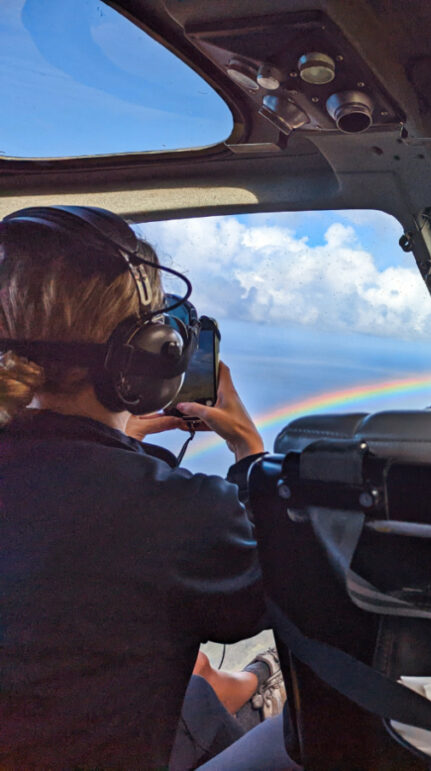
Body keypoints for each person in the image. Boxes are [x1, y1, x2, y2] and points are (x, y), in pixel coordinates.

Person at [0, 206, 289, 768]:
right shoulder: (178, 511)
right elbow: (281, 597)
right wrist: (250, 452)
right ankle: (256, 688)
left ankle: (245, 683)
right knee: (294, 743)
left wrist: (110, 442)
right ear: (153, 352)